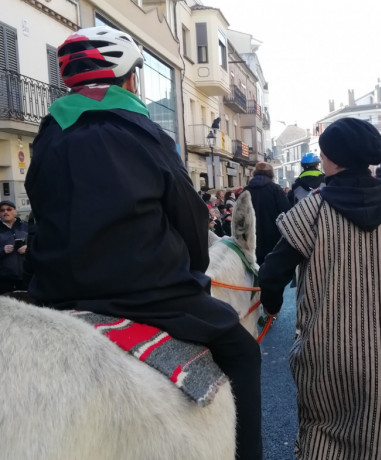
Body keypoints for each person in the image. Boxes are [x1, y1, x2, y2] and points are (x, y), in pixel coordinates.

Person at [26, 26, 261, 460]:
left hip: (57, 290)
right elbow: (189, 216)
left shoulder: (48, 135)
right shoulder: (146, 132)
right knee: (243, 351)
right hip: (147, 294)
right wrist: (191, 271)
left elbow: (39, 208)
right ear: (130, 79)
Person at [259, 117, 381, 459]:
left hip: (324, 352)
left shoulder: (312, 211)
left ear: (335, 159)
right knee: (377, 442)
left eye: (323, 155)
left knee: (319, 436)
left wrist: (272, 307)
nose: (321, 160)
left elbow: (271, 273)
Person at [244, 162, 291, 265]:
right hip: (273, 241)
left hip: (250, 239)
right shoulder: (276, 190)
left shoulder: (246, 191)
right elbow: (286, 213)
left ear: (255, 173)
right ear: (271, 174)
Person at [0, 200, 29, 294]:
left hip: (26, 276)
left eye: (9, 209)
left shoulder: (26, 227)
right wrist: (2, 250)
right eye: (2, 210)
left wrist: (28, 249)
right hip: (4, 280)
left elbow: (39, 246)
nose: (5, 212)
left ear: (15, 212)